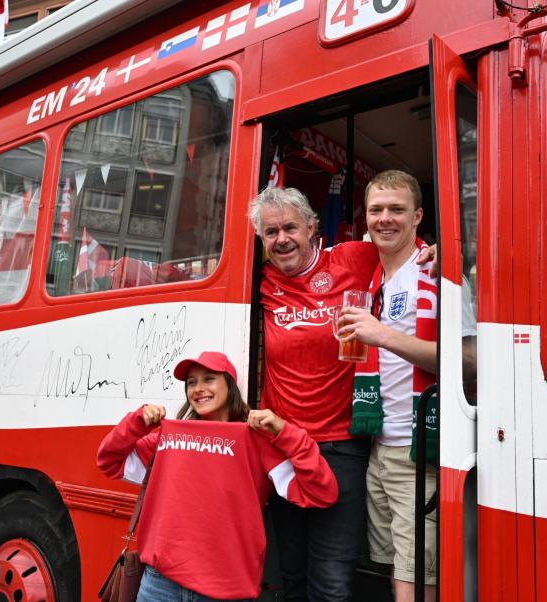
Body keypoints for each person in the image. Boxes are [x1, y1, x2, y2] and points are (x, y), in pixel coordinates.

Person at [96, 351, 337, 602]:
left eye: (208, 379)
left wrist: (283, 431)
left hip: (226, 589)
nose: (198, 389)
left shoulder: (255, 438)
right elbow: (109, 461)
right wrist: (136, 422)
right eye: (191, 382)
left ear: (229, 385)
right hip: (160, 583)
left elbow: (321, 492)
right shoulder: (169, 436)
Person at [336, 171, 476, 602]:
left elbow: (470, 362)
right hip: (378, 446)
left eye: (397, 209)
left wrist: (381, 336)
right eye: (376, 210)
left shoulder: (439, 274)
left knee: (417, 578)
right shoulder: (375, 277)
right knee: (397, 570)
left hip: (418, 454)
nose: (385, 219)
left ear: (417, 216)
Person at [249, 186, 385, 601]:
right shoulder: (261, 280)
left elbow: (407, 252)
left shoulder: (352, 259)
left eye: (290, 227)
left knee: (331, 579)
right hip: (283, 449)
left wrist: (429, 256)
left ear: (311, 227)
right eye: (271, 233)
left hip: (341, 447)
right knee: (291, 572)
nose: (282, 239)